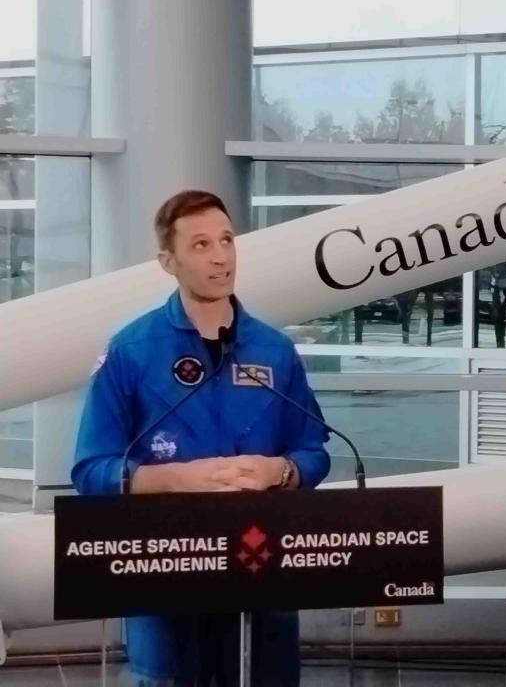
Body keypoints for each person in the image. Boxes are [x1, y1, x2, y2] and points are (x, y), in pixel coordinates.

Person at [72, 189, 331, 686]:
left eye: (228, 240)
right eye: (201, 245)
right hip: (165, 565)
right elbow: (92, 470)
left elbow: (313, 452)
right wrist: (174, 479)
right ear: (168, 261)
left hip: (263, 564)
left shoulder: (273, 351)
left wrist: (280, 471)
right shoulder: (131, 351)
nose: (220, 257)